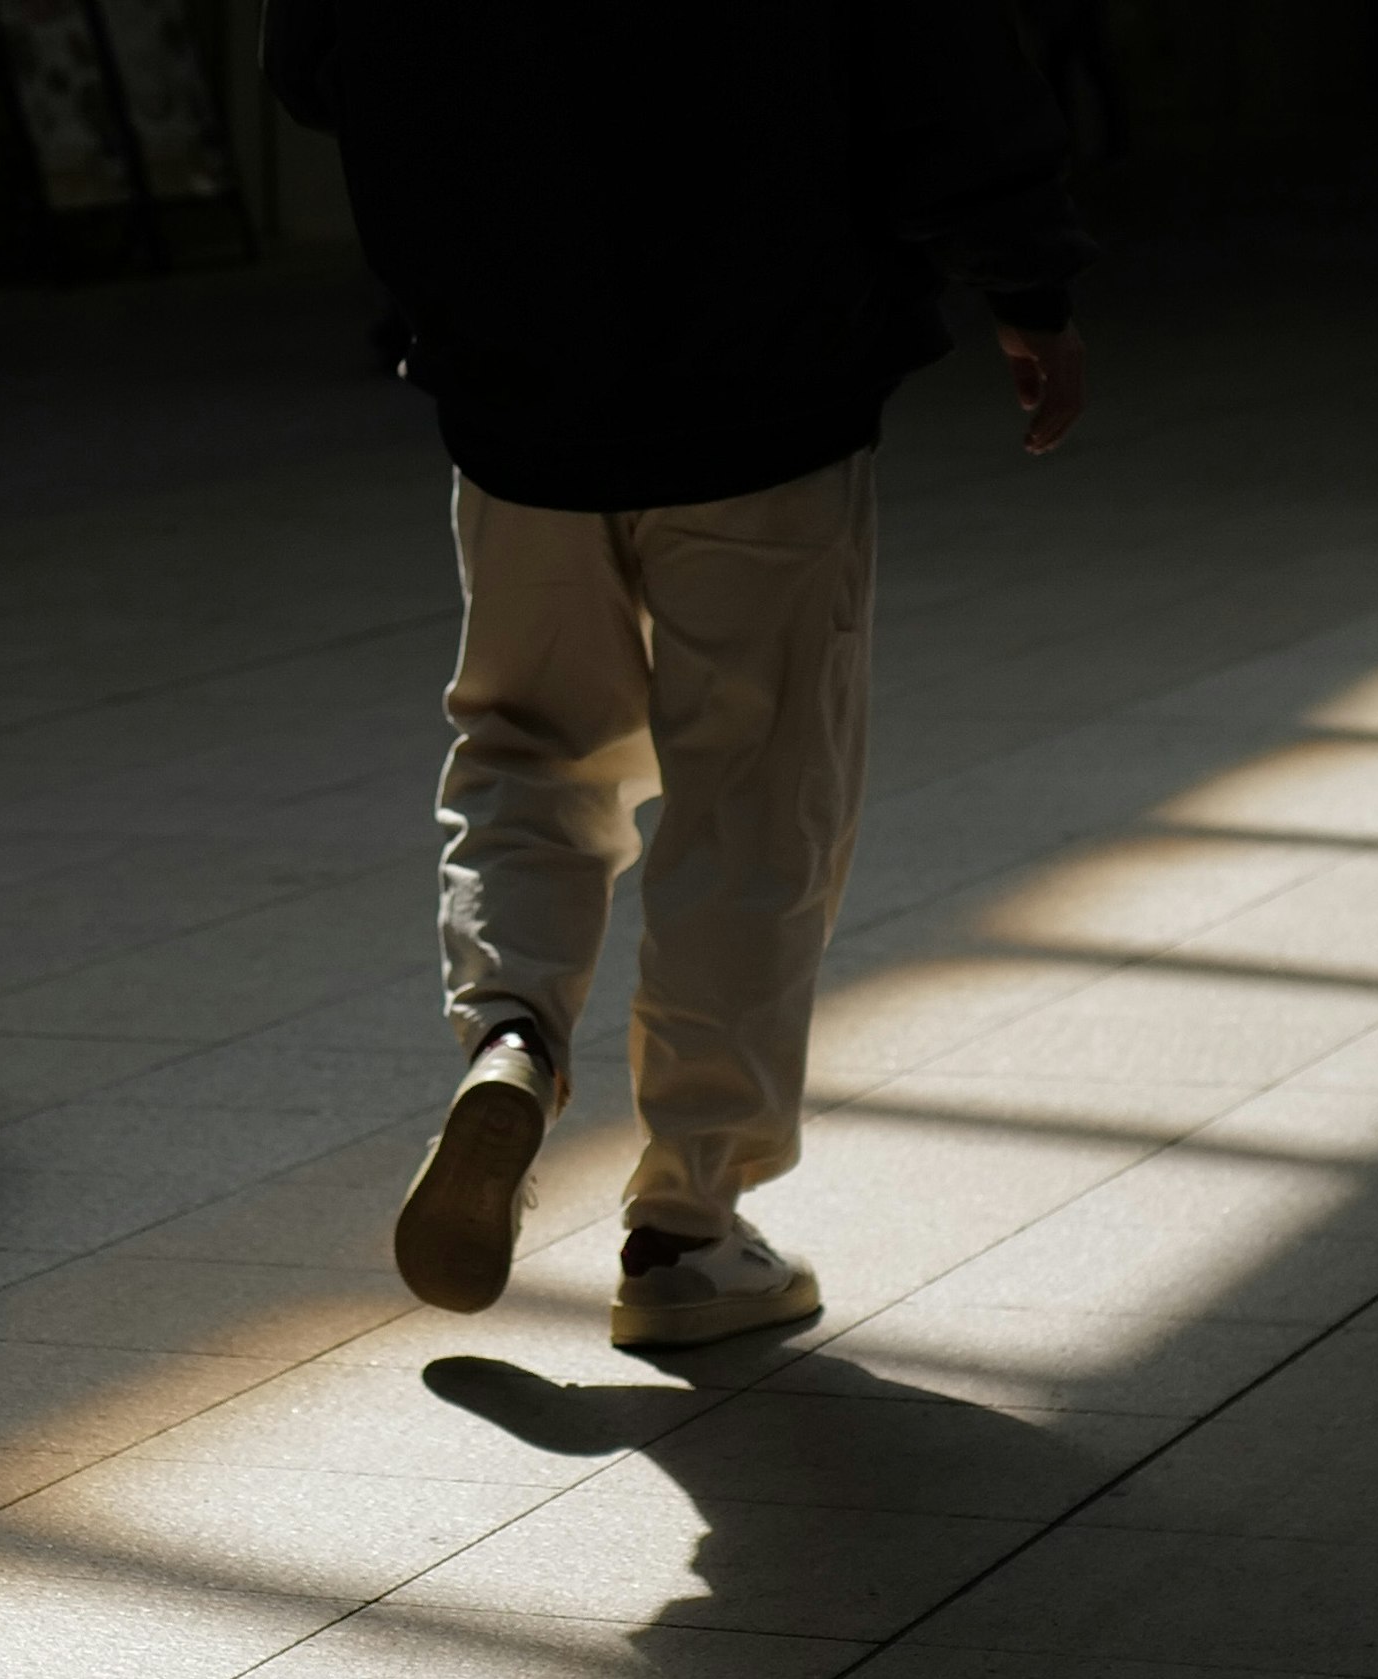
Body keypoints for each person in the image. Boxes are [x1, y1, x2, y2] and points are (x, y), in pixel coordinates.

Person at [266, 0, 1088, 1346]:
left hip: (520, 382)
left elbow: (315, 63)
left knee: (529, 743)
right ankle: (686, 1231)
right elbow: (929, 53)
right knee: (757, 793)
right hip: (767, 372)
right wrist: (1029, 280)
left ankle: (511, 1040)